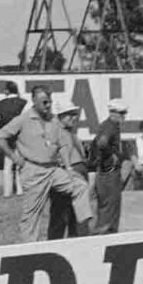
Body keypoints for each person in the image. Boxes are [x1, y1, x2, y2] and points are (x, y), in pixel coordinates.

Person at [0, 84, 92, 243]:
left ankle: (82, 233)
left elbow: (62, 145)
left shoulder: (54, 120)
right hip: (33, 170)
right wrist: (14, 157)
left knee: (80, 186)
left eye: (50, 102)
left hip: (53, 170)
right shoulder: (23, 119)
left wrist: (68, 168)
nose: (48, 106)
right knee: (31, 216)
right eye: (44, 102)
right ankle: (29, 250)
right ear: (34, 101)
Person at [46, 98, 90, 241]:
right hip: (65, 176)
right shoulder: (55, 131)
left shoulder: (69, 132)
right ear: (60, 116)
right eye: (70, 114)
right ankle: (53, 248)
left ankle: (77, 244)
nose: (74, 117)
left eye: (75, 114)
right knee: (60, 217)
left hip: (77, 173)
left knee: (76, 220)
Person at [90, 98, 129, 234]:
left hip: (104, 171)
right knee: (110, 209)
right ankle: (107, 239)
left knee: (106, 208)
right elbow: (102, 143)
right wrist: (111, 155)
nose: (124, 116)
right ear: (113, 113)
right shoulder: (110, 125)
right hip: (109, 173)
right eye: (122, 113)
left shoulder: (108, 125)